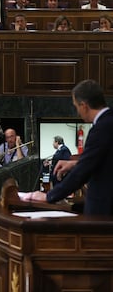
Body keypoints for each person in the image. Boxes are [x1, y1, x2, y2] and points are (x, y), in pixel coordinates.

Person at [22, 79, 113, 216]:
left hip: (103, 212)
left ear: (84, 105)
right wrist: (74, 163)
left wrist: (48, 196)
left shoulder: (102, 128)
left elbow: (83, 172)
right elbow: (105, 159)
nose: (77, 112)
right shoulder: (108, 121)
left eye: (76, 106)